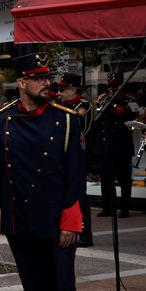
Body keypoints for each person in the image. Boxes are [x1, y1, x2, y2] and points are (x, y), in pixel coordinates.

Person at [0, 53, 85, 291]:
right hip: (19, 216)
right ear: (22, 83)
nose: (47, 84)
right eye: (39, 79)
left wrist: (71, 220)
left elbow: (75, 176)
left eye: (48, 78)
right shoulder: (3, 120)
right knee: (34, 289)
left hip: (56, 219)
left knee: (61, 290)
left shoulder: (67, 119)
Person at [57, 73, 94, 247]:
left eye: (64, 90)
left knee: (80, 194)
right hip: (63, 154)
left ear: (73, 90)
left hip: (78, 153)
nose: (60, 93)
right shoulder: (61, 107)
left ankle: (85, 232)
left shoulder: (82, 106)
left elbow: (82, 131)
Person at [94, 73, 138, 219]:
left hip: (121, 146)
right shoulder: (106, 100)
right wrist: (99, 104)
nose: (112, 89)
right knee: (106, 180)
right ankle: (107, 206)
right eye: (110, 86)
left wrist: (112, 104)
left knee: (124, 180)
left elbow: (132, 116)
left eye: (115, 86)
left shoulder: (130, 100)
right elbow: (96, 120)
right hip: (105, 146)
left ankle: (125, 208)